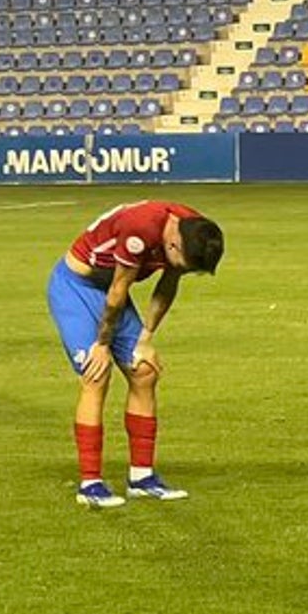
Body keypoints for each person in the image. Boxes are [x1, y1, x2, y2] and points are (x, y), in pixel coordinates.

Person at [47, 200, 224, 508]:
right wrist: (102, 345)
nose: (181, 270)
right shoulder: (140, 230)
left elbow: (168, 284)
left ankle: (141, 477)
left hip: (111, 291)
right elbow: (118, 290)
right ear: (173, 243)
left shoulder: (192, 229)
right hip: (75, 286)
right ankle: (90, 484)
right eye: (183, 264)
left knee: (144, 371)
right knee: (96, 374)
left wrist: (146, 339)